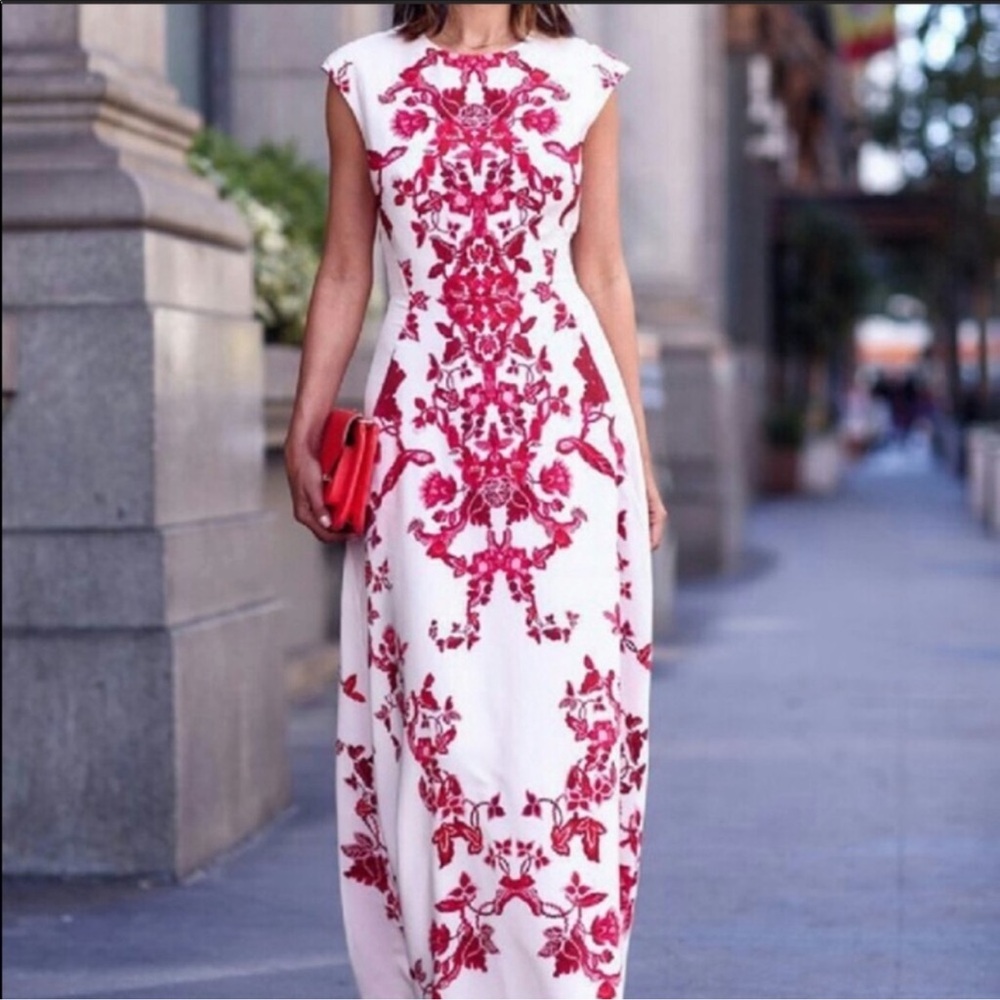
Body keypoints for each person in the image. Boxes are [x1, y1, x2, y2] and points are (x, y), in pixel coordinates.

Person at [284, 5, 667, 997]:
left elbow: (604, 271)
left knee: (554, 731)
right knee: (441, 726)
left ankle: (562, 982)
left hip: (567, 445)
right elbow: (343, 268)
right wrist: (305, 423)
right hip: (424, 445)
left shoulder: (586, 77)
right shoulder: (360, 77)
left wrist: (640, 454)